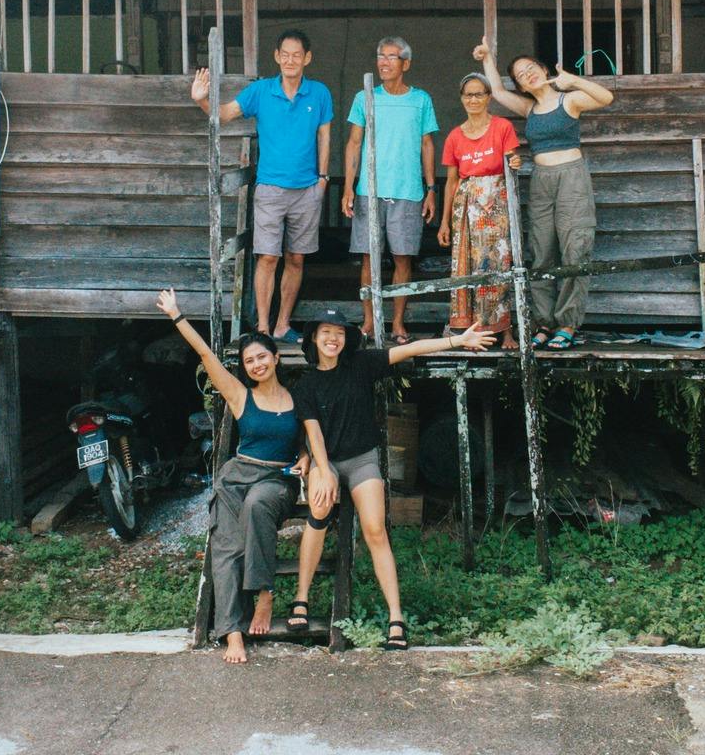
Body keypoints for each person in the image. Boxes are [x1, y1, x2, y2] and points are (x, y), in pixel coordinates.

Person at [287, 306, 491, 650]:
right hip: (328, 461)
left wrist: (458, 340)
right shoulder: (305, 385)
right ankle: (301, 598)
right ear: (313, 339)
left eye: (338, 333)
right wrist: (322, 471)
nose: (333, 339)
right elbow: (314, 434)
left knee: (375, 529)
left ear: (346, 339)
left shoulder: (362, 365)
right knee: (319, 510)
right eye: (325, 332)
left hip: (363, 459)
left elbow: (408, 349)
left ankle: (396, 617)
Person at [157, 288, 337, 664]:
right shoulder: (241, 396)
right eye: (249, 360)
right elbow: (206, 355)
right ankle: (232, 634)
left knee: (258, 505)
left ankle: (265, 595)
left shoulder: (296, 398)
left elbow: (311, 438)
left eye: (262, 357)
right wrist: (177, 315)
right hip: (236, 477)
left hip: (276, 481)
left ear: (275, 358)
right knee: (226, 551)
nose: (256, 364)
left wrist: (305, 456)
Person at [472, 43, 615, 349]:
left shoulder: (569, 100)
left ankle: (567, 323)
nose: (528, 75)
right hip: (541, 181)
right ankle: (544, 324)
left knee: (575, 248)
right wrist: (487, 57)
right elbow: (496, 90)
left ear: (543, 69)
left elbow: (606, 97)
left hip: (572, 178)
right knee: (541, 252)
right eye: (521, 75)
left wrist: (573, 79)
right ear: (521, 85)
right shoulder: (529, 109)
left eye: (531, 69)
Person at [194, 30, 332, 342]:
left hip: (308, 188)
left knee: (297, 257)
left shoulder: (320, 93)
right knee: (268, 257)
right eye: (285, 54)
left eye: (297, 54)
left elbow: (325, 136)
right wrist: (202, 100)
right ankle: (263, 328)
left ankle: (283, 324)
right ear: (276, 56)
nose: (290, 60)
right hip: (270, 188)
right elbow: (225, 114)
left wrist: (323, 179)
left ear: (307, 58)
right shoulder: (261, 91)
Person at [341, 36, 439, 341]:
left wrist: (431, 188)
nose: (384, 62)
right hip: (369, 190)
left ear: (405, 64)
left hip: (408, 191)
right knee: (369, 258)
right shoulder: (365, 97)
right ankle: (369, 321)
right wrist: (348, 187)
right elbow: (354, 143)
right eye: (380, 56)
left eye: (392, 57)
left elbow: (427, 144)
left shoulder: (420, 99)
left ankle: (397, 322)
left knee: (402, 258)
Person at [436, 74, 521, 347]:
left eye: (479, 94)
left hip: (496, 203)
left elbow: (512, 160)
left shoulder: (502, 127)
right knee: (466, 266)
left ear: (488, 98)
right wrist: (444, 222)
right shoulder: (454, 136)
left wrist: (516, 161)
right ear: (462, 99)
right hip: (465, 207)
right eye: (468, 95)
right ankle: (470, 329)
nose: (473, 99)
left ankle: (504, 329)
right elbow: (451, 181)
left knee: (498, 262)